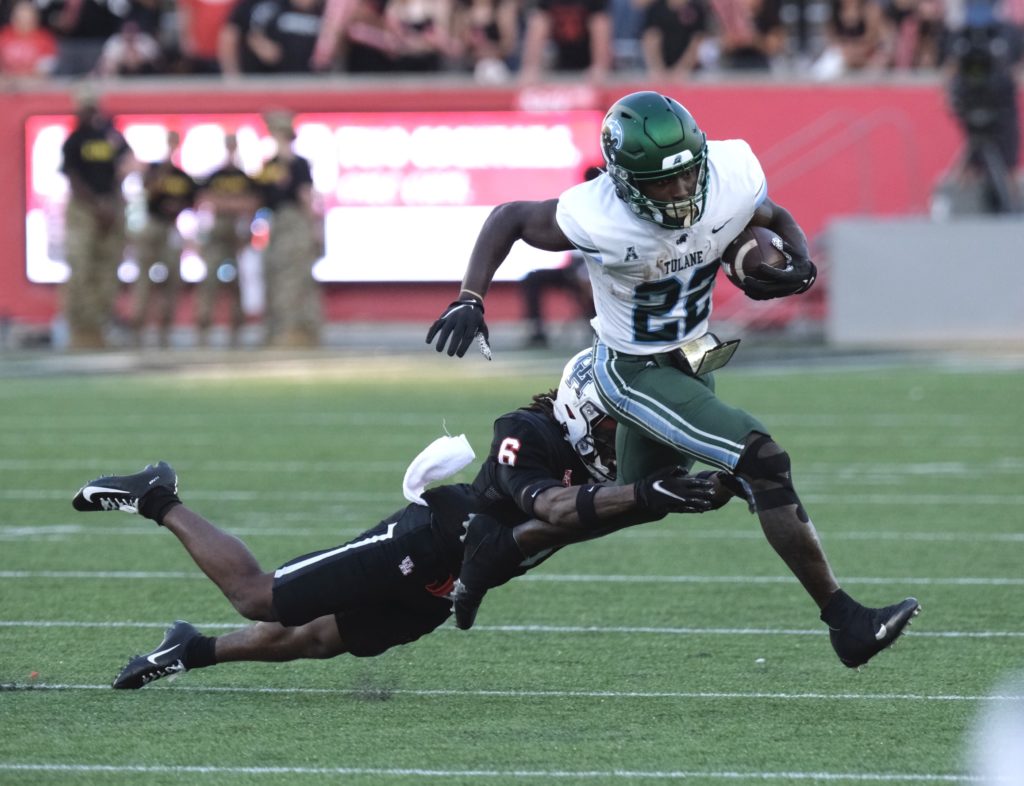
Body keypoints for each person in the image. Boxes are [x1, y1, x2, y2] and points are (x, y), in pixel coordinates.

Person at [425, 90, 922, 669]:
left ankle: (495, 552)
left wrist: (800, 264)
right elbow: (509, 218)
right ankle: (845, 621)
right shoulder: (596, 213)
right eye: (662, 183)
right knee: (761, 460)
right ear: (625, 181)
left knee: (645, 499)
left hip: (691, 358)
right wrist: (470, 297)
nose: (682, 191)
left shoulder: (729, 173)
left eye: (688, 175)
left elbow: (772, 216)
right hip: (631, 369)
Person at [70, 349, 719, 688]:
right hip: (438, 534)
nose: (624, 442)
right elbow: (552, 506)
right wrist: (652, 495)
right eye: (617, 425)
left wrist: (707, 478)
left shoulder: (610, 472)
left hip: (460, 576)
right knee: (258, 598)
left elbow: (620, 505)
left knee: (317, 640)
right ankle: (158, 496)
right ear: (581, 408)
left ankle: (189, 649)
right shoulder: (525, 432)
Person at [59, 89, 133, 350]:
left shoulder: (111, 138)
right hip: (84, 210)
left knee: (108, 268)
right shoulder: (74, 141)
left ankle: (102, 324)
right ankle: (80, 327)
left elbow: (126, 165)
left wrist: (112, 201)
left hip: (112, 207)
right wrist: (96, 204)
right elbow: (72, 175)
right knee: (81, 267)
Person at [256, 111, 323, 347]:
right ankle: (278, 330)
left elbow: (305, 197)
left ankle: (297, 332)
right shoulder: (269, 165)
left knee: (294, 278)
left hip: (294, 224)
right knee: (276, 276)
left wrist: (315, 229)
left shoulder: (298, 163)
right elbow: (261, 197)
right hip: (276, 223)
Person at [520, 164, 600, 349]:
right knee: (533, 278)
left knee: (594, 281)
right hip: (575, 269)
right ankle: (537, 330)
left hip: (601, 269)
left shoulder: (611, 207)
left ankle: (599, 329)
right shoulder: (578, 204)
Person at [131, 130, 198, 348]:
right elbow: (148, 190)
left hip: (171, 227)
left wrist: (178, 207)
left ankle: (165, 331)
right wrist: (163, 170)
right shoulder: (154, 169)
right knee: (144, 279)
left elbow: (192, 201)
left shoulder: (182, 176)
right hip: (152, 226)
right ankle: (138, 328)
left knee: (172, 279)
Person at [195, 132, 260, 348]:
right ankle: (203, 329)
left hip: (237, 235)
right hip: (217, 234)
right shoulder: (215, 176)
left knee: (238, 284)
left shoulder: (244, 177)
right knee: (209, 282)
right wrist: (233, 204)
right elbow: (205, 201)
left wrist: (226, 204)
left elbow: (252, 204)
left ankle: (237, 331)